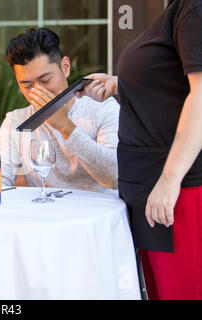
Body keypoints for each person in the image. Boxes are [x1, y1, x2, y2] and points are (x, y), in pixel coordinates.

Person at [77, 0, 202, 300]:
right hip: (153, 191)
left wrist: (169, 181)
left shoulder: (194, 7)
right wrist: (122, 85)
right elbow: (172, 85)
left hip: (177, 195)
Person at [0, 27, 120, 194]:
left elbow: (114, 177)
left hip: (98, 215)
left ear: (65, 67)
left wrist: (65, 126)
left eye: (46, 79)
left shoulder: (103, 108)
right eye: (27, 85)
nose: (38, 91)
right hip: (45, 217)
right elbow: (0, 183)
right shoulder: (15, 121)